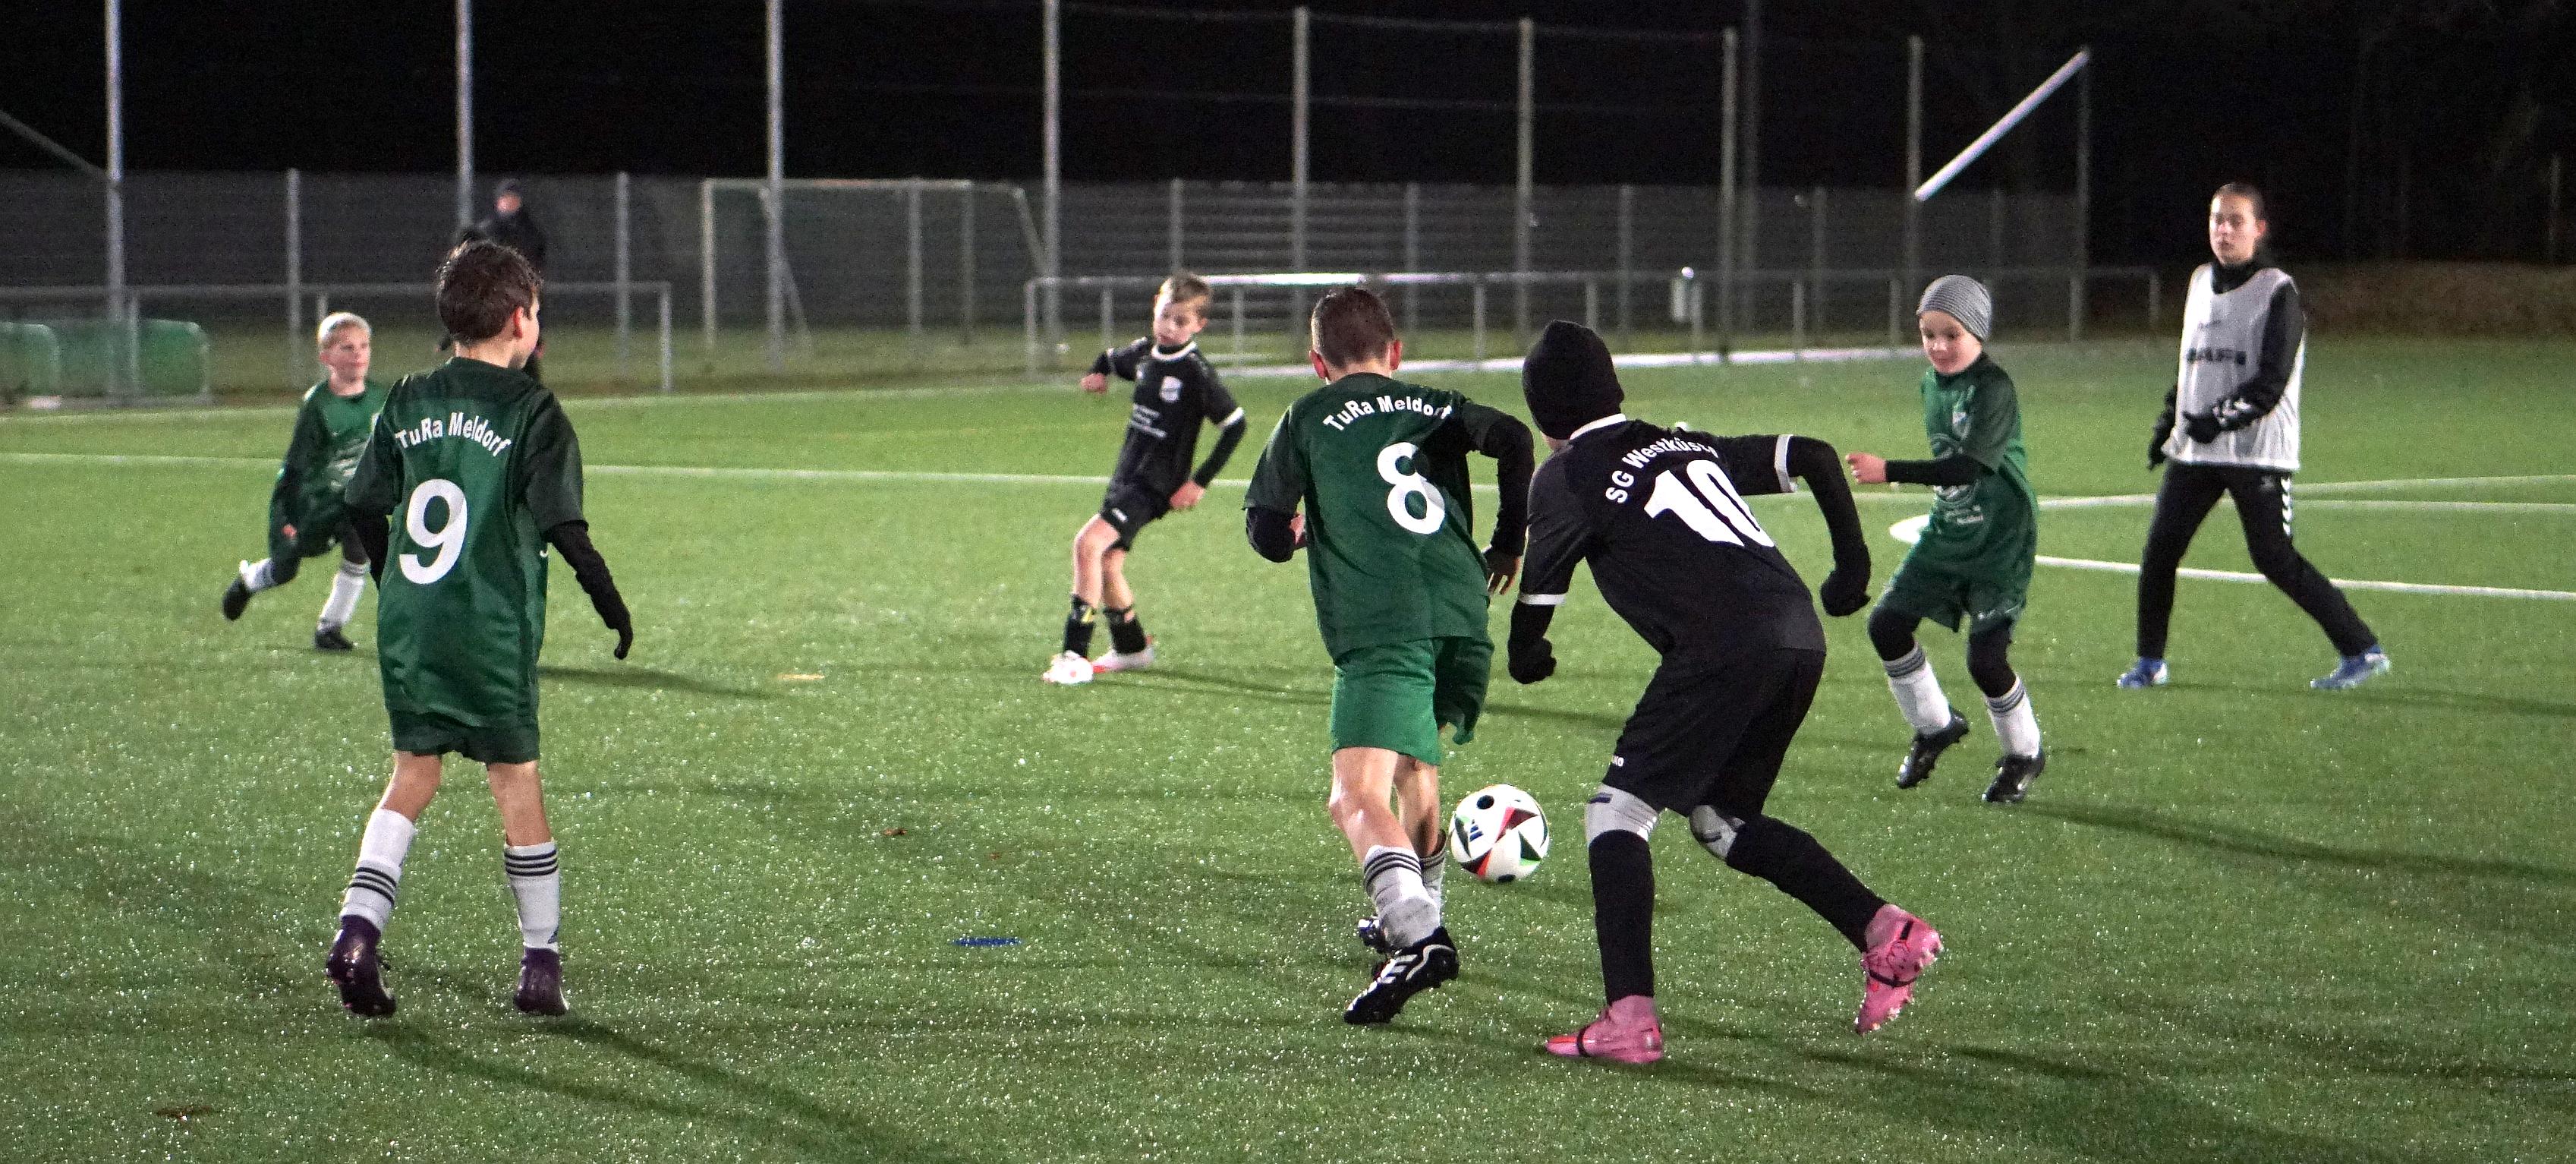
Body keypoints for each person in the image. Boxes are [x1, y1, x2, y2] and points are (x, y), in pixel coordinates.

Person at [1507, 320, 1941, 1065]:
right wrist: (1851, 566)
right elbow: (1811, 454)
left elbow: (1535, 607)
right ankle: (1885, 931)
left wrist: (1527, 655)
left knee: (1618, 811)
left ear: (1544, 415)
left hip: (1724, 643)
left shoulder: (1567, 474)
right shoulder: (1681, 443)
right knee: (1722, 821)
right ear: (1614, 387)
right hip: (1797, 634)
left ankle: (1630, 1019)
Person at [323, 241, 634, 1019]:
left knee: (413, 774)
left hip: (412, 623)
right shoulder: (533, 410)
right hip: (491, 626)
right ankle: (540, 964)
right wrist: (609, 602)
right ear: (522, 320)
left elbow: (361, 505)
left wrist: (395, 584)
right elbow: (563, 526)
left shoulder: (408, 396)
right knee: (514, 780)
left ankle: (357, 932)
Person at [1243, 286, 1532, 1024]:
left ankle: (1417, 935)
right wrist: (1508, 542)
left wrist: (1301, 534)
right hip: (1463, 611)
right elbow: (1514, 439)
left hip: (1383, 619)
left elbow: (1266, 533)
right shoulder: (1438, 404)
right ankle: (1422, 909)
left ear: (1318, 363)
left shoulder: (1307, 416)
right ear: (1395, 353)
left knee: (1353, 796)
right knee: (1415, 766)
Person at [2120, 183, 2389, 691]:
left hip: (2258, 451)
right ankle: (2149, 663)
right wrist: (2168, 421)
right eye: (2217, 219)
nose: (2224, 230)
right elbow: (2192, 364)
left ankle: (2361, 649)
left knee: (2274, 558)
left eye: (2236, 221)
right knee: (2160, 553)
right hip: (2198, 451)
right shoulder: (2200, 281)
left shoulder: (2277, 291)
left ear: (2259, 230)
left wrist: (2217, 419)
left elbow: (2270, 382)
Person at [1844, 276, 2047, 804]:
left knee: (1986, 660)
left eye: (1950, 335)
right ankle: (1935, 726)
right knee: (1887, 625)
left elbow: (1969, 466)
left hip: (2001, 538)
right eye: (1928, 334)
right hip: (1949, 528)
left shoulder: (1994, 388)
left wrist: (1889, 470)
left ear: (1977, 332)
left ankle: (2024, 753)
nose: (1937, 346)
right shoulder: (1930, 384)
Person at [1043, 273, 1247, 685]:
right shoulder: (1144, 354)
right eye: (1164, 316)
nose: (1169, 327)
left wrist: (1199, 482)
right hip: (1127, 476)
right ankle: (1132, 648)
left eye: (1181, 321)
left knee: (1087, 545)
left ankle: (1074, 655)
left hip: (1155, 484)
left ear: (1199, 325)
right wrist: (1098, 374)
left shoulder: (1195, 372)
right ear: (1156, 307)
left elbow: (1235, 425)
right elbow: (1108, 358)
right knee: (1108, 561)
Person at [220, 312, 387, 650]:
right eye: (347, 348)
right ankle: (249, 581)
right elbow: (296, 465)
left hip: (349, 499)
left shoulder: (379, 398)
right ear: (326, 358)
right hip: (309, 502)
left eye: (364, 346)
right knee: (285, 570)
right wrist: (290, 515)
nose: (358, 354)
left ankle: (330, 628)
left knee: (360, 549)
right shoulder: (318, 404)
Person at [455, 178, 550, 382]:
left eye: (513, 199)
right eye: (505, 198)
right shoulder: (486, 232)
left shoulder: (530, 234)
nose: (508, 203)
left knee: (525, 368)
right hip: (494, 308)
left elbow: (535, 277)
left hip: (520, 305)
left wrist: (538, 333)